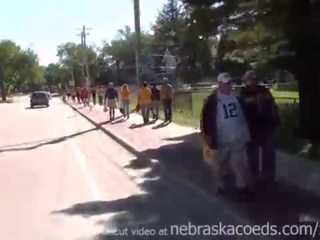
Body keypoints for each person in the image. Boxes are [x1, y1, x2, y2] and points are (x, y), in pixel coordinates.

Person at [201, 72, 253, 199]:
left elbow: (246, 115)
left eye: (229, 82)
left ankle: (242, 187)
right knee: (219, 164)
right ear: (219, 84)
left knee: (239, 163)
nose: (228, 85)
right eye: (225, 83)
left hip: (237, 137)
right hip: (221, 139)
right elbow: (206, 120)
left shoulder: (237, 97)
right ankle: (221, 186)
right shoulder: (212, 100)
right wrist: (208, 137)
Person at [240, 70, 280, 191]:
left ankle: (270, 179)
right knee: (253, 156)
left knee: (269, 154)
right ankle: (255, 179)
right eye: (250, 79)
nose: (252, 81)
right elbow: (241, 113)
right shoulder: (243, 94)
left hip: (268, 128)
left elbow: (273, 107)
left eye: (254, 79)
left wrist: (276, 123)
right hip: (252, 130)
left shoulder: (264, 91)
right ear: (246, 80)